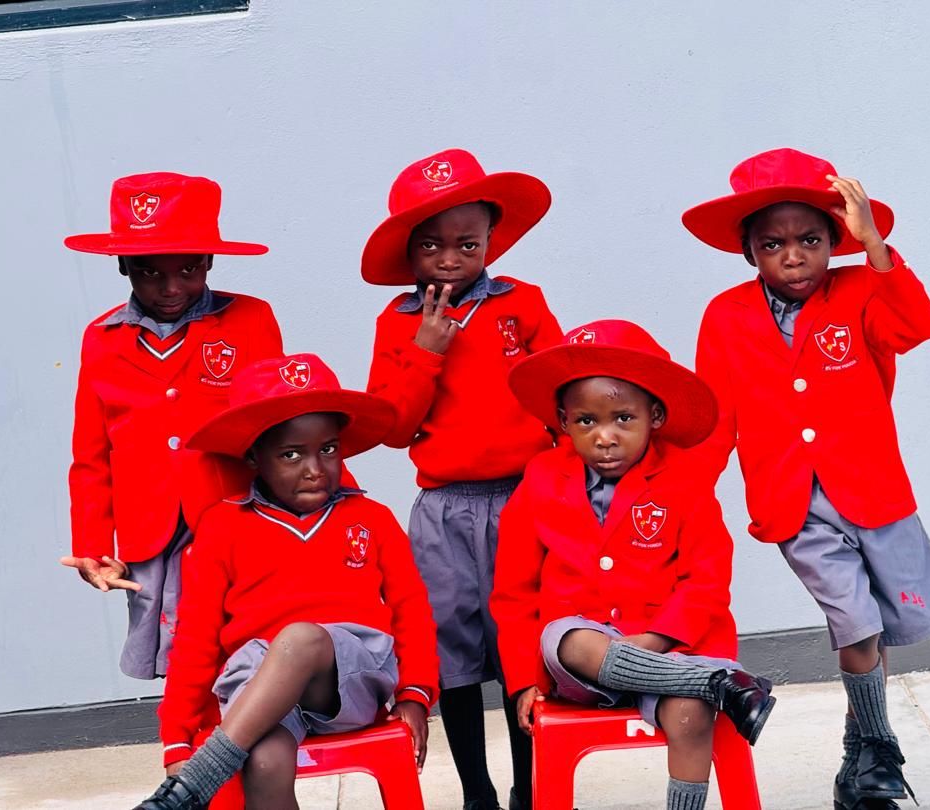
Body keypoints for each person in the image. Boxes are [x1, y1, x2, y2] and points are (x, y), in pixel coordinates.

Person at [684, 147, 930, 808]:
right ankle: (882, 750)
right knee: (855, 624)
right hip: (794, 503)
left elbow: (918, 325)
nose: (793, 255)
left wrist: (877, 247)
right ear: (748, 252)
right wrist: (684, 494)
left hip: (872, 492)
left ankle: (859, 765)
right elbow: (715, 416)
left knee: (878, 625)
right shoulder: (726, 317)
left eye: (811, 239)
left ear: (834, 240)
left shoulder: (864, 287)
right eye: (772, 243)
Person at [133, 353, 439, 810]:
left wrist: (415, 694)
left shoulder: (370, 519)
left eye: (329, 449)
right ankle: (199, 777)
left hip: (348, 682)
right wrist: (176, 734)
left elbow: (412, 610)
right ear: (254, 455)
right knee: (265, 760)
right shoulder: (223, 528)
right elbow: (194, 637)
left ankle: (192, 788)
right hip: (259, 683)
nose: (315, 468)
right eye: (291, 454)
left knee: (297, 640)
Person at [491, 319, 776, 810]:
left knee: (690, 716)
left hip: (669, 647)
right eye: (586, 422)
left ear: (656, 416)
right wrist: (524, 682)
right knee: (567, 637)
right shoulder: (541, 477)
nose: (605, 437)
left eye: (623, 418)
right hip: (578, 664)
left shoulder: (684, 478)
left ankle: (696, 690)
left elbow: (707, 578)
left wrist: (654, 642)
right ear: (563, 420)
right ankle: (716, 682)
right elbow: (514, 592)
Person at [363, 148, 563, 810]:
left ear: (490, 241)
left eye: (467, 243)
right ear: (411, 252)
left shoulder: (523, 305)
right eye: (432, 246)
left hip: (524, 500)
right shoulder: (397, 324)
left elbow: (562, 396)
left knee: (518, 652)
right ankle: (476, 792)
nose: (450, 258)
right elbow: (393, 427)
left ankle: (527, 790)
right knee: (449, 655)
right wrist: (426, 349)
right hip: (444, 510)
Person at [60, 172, 282, 680]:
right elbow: (91, 456)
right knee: (183, 668)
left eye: (187, 269)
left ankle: (248, 760)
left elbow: (279, 425)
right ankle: (185, 760)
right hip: (150, 539)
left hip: (236, 524)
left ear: (210, 260)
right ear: (123, 265)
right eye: (149, 273)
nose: (171, 287)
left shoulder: (250, 320)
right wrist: (94, 548)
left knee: (251, 661)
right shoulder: (101, 339)